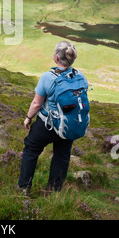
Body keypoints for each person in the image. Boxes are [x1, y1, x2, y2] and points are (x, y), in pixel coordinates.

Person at [18, 41, 88, 194]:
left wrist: (28, 118)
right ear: (72, 59)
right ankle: (53, 192)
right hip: (68, 124)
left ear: (56, 57)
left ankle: (23, 188)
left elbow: (37, 103)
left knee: (31, 150)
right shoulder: (80, 76)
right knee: (62, 156)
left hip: (47, 125)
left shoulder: (47, 77)